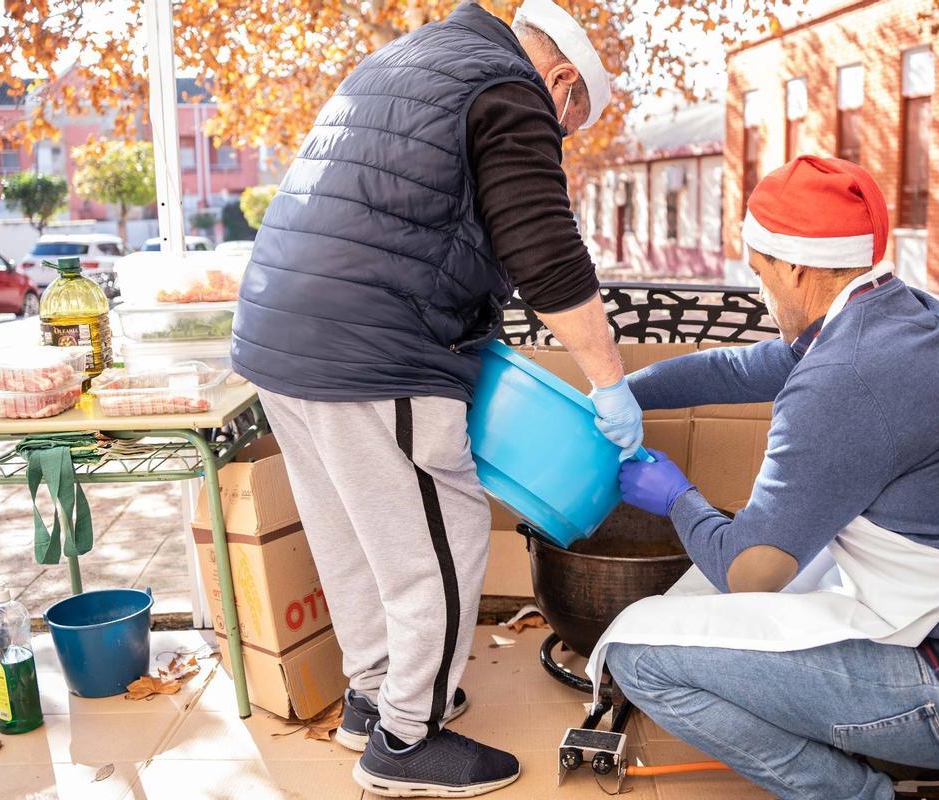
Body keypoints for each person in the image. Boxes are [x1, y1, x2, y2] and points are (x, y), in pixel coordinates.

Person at [591, 156, 939, 800]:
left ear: (795, 268)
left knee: (639, 657)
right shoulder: (893, 314)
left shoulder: (844, 378)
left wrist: (676, 497)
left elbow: (748, 571)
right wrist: (620, 392)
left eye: (759, 273)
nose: (759, 293)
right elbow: (741, 370)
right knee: (780, 564)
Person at [230, 1, 643, 796]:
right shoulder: (510, 89)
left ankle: (373, 700)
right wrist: (610, 383)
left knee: (355, 534)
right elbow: (546, 252)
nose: (559, 139)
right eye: (570, 125)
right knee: (442, 546)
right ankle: (406, 741)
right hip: (377, 347)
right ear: (560, 82)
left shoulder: (404, 60)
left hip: (277, 337)